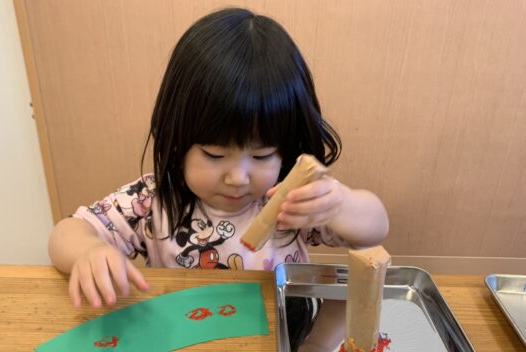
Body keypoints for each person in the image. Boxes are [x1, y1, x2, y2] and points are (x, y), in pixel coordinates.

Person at [48, 8, 389, 308]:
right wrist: (88, 252)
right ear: (178, 139)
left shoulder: (291, 200)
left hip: (280, 341)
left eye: (261, 155)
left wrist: (339, 204)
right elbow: (67, 232)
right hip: (186, 339)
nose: (238, 177)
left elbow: (375, 228)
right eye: (214, 154)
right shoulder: (153, 200)